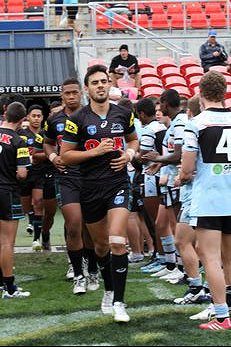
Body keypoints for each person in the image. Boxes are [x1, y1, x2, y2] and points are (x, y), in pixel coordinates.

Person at [60, 64, 139, 323]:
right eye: (95, 82)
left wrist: (128, 154)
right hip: (90, 188)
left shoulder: (123, 113)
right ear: (87, 89)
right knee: (102, 246)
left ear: (109, 84)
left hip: (117, 184)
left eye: (104, 81)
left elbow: (133, 141)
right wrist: (94, 152)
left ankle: (120, 301)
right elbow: (66, 156)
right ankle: (108, 289)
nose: (100, 85)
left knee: (117, 241)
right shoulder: (76, 120)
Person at [180, 70, 231, 330]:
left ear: (201, 93)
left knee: (210, 257)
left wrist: (181, 177)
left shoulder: (196, 123)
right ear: (223, 93)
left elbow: (187, 169)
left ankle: (222, 316)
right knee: (229, 257)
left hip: (210, 197)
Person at [44, 77, 99, 294]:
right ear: (62, 95)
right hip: (66, 177)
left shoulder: (91, 116)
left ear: (81, 93)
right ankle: (78, 273)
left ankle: (93, 268)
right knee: (74, 224)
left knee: (90, 227)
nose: (71, 96)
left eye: (75, 92)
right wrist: (52, 158)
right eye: (67, 93)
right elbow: (47, 143)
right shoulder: (54, 120)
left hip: (90, 177)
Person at [0, 102, 31, 299]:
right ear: (22, 119)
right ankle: (10, 287)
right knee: (6, 243)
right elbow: (22, 174)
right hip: (7, 191)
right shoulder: (19, 141)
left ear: (5, 114)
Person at [18, 104, 44, 250]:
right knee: (27, 207)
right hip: (25, 175)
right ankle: (31, 220)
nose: (36, 119)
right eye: (33, 116)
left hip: (40, 174)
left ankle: (36, 240)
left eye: (38, 116)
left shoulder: (46, 134)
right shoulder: (22, 134)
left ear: (42, 118)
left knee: (38, 202)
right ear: (28, 117)